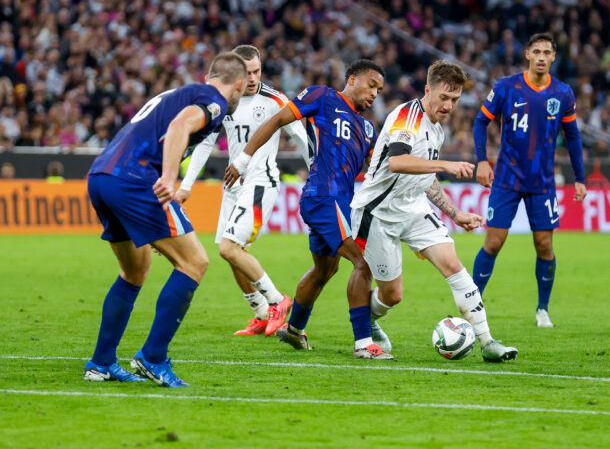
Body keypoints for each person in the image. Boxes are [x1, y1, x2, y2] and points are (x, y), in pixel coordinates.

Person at [84, 52, 246, 387]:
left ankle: (100, 363)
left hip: (101, 175)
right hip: (135, 179)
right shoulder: (214, 101)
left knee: (134, 270)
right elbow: (179, 126)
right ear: (240, 84)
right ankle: (152, 358)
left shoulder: (177, 93)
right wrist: (171, 177)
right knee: (195, 262)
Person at [351, 60, 518, 362]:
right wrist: (448, 164)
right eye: (443, 97)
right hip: (378, 213)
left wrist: (455, 214)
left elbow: (427, 181)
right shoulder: (406, 118)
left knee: (454, 266)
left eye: (454, 99)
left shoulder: (437, 130)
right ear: (428, 90)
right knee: (392, 294)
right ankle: (369, 320)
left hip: (413, 208)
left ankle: (487, 342)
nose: (448, 105)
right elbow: (398, 162)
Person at [226, 59, 388, 358]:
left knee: (325, 269)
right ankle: (365, 344)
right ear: (352, 80)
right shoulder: (322, 97)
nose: (375, 94)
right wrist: (243, 159)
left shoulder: (367, 128)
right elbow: (276, 121)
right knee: (361, 264)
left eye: (379, 90)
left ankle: (294, 330)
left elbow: (383, 169)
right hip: (322, 196)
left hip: (341, 201)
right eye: (371, 85)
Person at [175, 45, 310, 337]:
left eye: (257, 71)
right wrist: (185, 187)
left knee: (230, 248)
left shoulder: (275, 99)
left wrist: (317, 172)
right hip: (233, 186)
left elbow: (301, 137)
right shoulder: (225, 102)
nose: (252, 78)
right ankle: (260, 313)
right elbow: (206, 145)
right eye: (246, 72)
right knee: (230, 252)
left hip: (261, 182)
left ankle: (277, 301)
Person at [472, 33, 588, 328]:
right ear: (527, 54)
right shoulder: (506, 87)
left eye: (546, 52)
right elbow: (480, 121)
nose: (540, 56)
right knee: (494, 242)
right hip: (507, 178)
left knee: (544, 246)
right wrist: (482, 160)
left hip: (542, 183)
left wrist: (579, 178)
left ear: (553, 57)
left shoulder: (563, 93)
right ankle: (472, 306)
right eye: (535, 51)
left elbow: (573, 137)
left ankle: (542, 309)